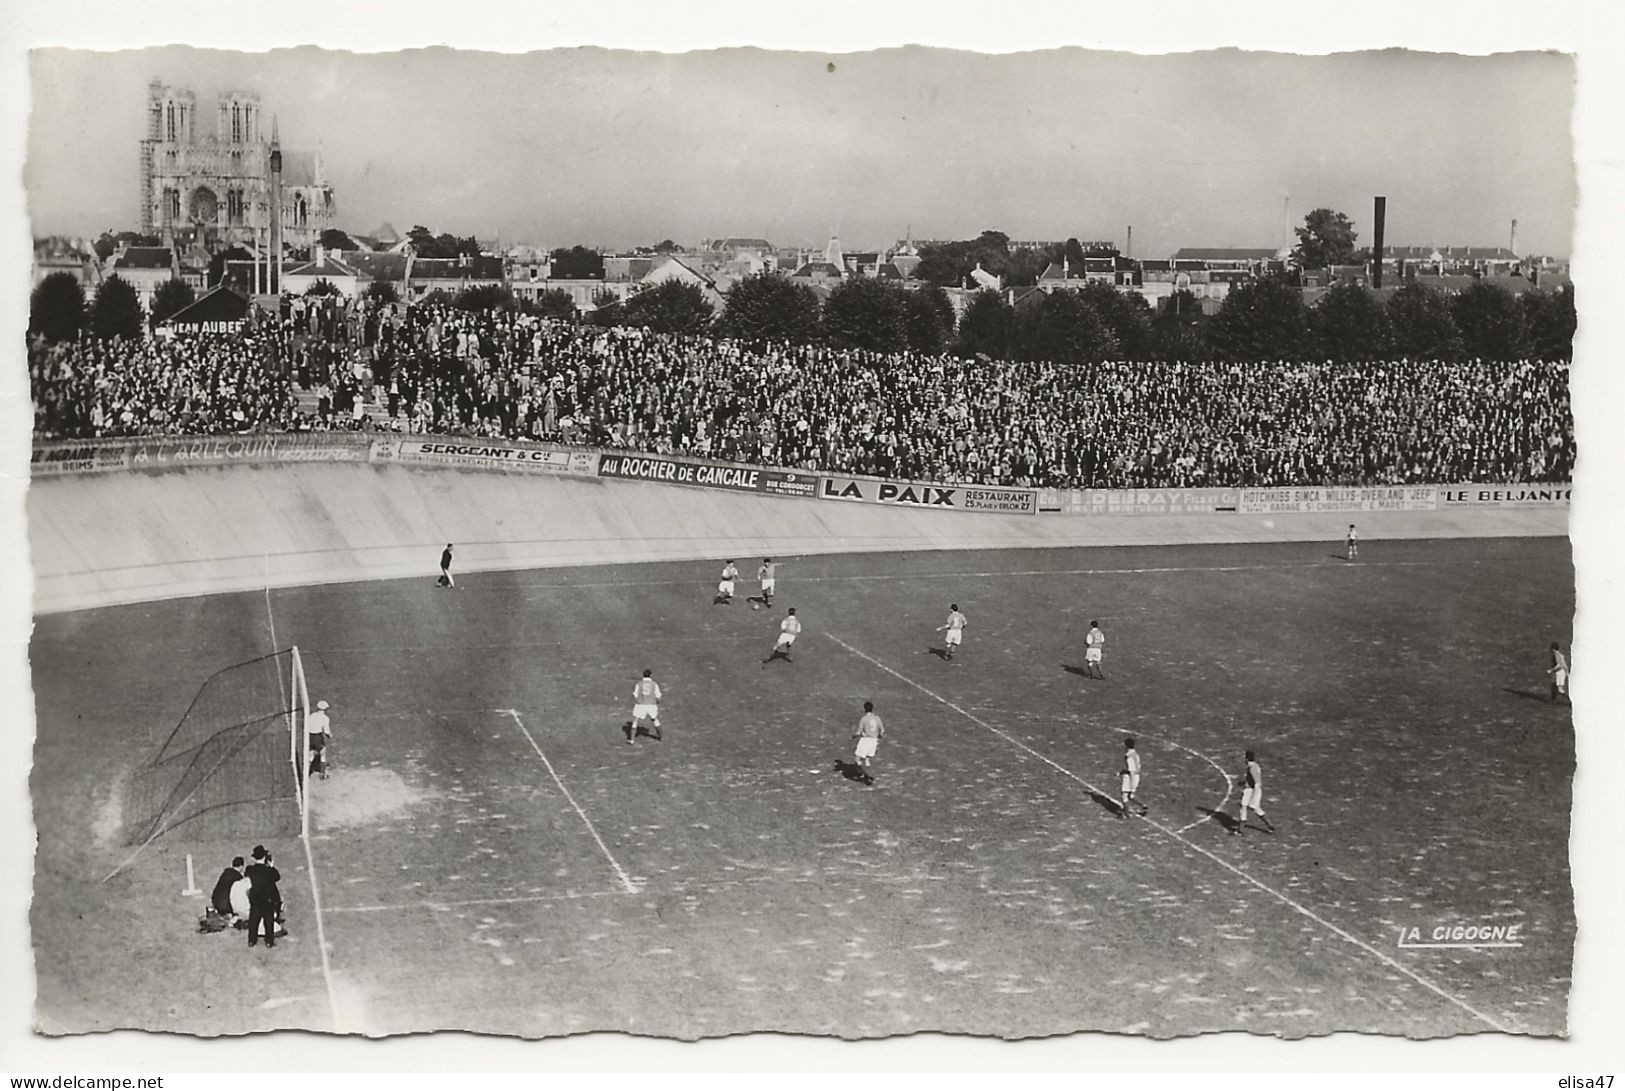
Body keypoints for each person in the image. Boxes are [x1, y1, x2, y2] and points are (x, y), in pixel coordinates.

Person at [244, 845, 282, 948]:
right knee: (268, 919)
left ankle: (252, 940)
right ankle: (269, 941)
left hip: (255, 897)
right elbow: (277, 877)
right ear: (265, 857)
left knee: (254, 919)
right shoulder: (269, 871)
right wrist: (272, 866)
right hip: (267, 898)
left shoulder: (250, 869)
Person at [1232, 750, 1277, 836]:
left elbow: (1257, 783)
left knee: (1244, 807)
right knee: (1255, 809)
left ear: (1246, 759)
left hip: (1251, 791)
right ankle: (1270, 826)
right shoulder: (1255, 766)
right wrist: (1245, 782)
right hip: (1253, 790)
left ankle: (1240, 830)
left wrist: (1253, 796)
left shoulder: (1252, 769)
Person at [852, 701, 885, 786]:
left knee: (857, 759)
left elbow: (858, 732)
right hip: (874, 741)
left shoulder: (864, 719)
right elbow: (882, 730)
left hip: (866, 740)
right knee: (867, 760)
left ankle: (866, 776)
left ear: (864, 709)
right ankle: (867, 774)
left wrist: (853, 736)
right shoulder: (877, 718)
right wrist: (879, 737)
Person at [630, 668, 663, 744]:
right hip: (651, 705)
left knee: (636, 720)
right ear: (651, 675)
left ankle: (632, 739)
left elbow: (635, 695)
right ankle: (660, 737)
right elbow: (658, 696)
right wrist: (657, 702)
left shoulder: (639, 684)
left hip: (640, 704)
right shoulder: (654, 684)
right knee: (654, 719)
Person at [1119, 737, 1148, 818]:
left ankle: (1126, 814)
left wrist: (1131, 785)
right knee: (1130, 796)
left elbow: (1131, 771)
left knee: (1125, 795)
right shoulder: (1135, 754)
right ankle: (1144, 806)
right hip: (1135, 776)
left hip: (1130, 778)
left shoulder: (1129, 757)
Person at [210, 856, 245, 921]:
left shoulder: (225, 873)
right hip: (225, 905)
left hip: (216, 901)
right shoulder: (238, 877)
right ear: (241, 866)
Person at [306, 699, 332, 779]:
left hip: (309, 736)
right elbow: (326, 731)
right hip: (318, 737)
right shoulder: (325, 718)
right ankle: (323, 774)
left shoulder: (311, 716)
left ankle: (306, 773)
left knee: (311, 755)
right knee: (322, 754)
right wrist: (330, 735)